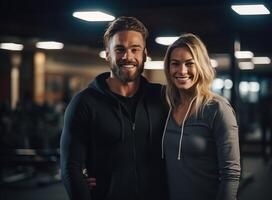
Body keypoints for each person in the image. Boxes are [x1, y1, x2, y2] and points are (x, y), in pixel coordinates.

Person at [60, 16, 168, 200]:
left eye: (135, 49)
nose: (128, 56)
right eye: (120, 49)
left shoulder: (161, 97)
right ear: (108, 54)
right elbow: (71, 168)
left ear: (144, 54)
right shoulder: (84, 103)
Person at [161, 33, 241, 200]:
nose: (182, 71)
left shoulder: (217, 108)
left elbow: (230, 174)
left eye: (189, 64)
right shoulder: (167, 106)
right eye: (175, 64)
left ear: (201, 65)